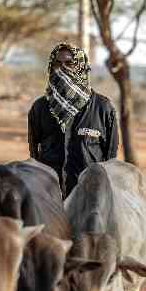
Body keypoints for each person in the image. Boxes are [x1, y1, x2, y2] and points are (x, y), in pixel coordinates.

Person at [28, 42, 118, 197]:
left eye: (69, 63)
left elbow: (110, 159)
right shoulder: (40, 107)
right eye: (57, 63)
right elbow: (34, 154)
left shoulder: (103, 108)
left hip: (89, 197)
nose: (62, 68)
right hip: (50, 196)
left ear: (81, 67)